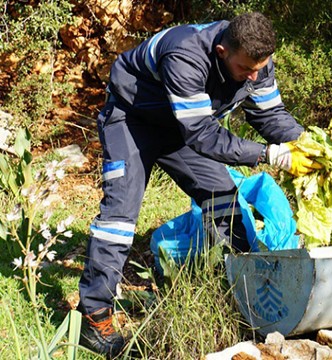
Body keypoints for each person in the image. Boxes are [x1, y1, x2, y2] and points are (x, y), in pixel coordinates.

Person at [77, 12, 319, 357]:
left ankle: (237, 295)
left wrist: (306, 145)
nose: (254, 76)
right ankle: (94, 318)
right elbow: (202, 134)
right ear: (222, 51)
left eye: (260, 68)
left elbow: (269, 114)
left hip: (182, 128)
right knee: (119, 217)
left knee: (225, 200)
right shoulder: (185, 54)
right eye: (246, 70)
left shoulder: (255, 58)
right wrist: (266, 154)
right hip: (133, 121)